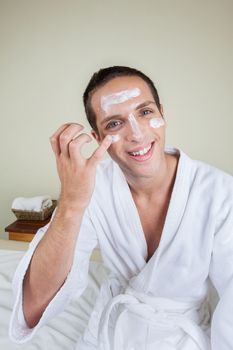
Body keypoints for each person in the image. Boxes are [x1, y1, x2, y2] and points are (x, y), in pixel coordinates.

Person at [9, 66, 233, 349]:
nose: (137, 135)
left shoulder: (221, 193)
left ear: (162, 113)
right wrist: (72, 203)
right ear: (98, 137)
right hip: (108, 335)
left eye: (145, 112)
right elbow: (34, 304)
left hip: (183, 339)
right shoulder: (92, 190)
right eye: (115, 124)